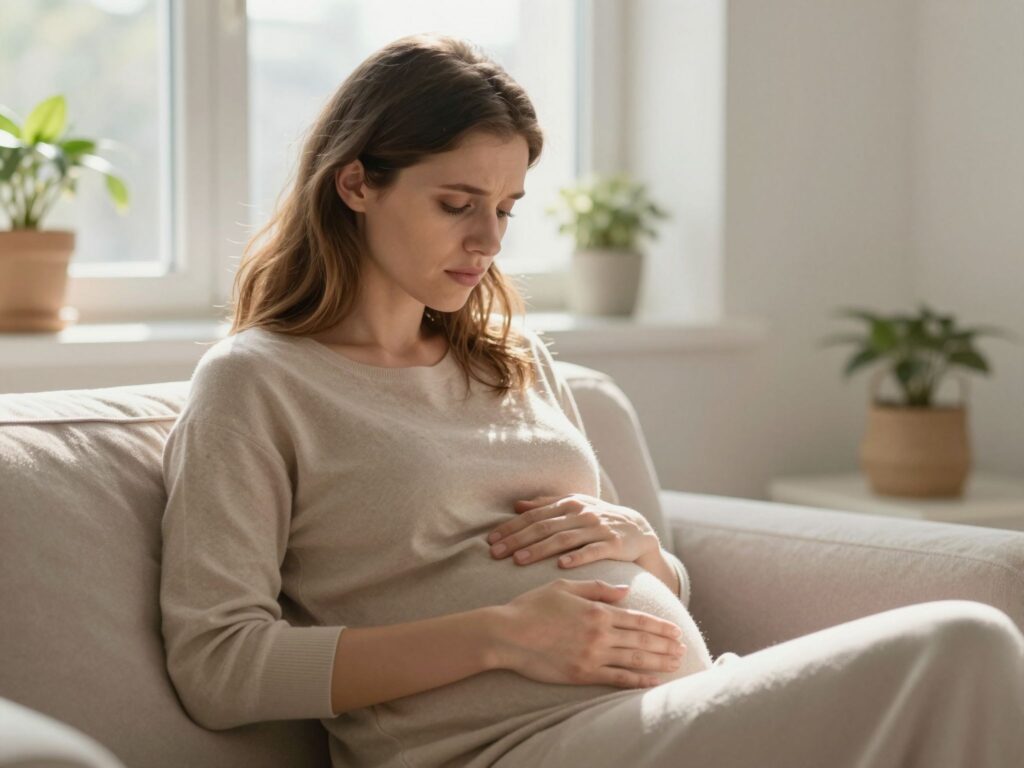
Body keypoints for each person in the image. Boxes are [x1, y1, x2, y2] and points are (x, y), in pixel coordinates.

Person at [159, 33, 1024, 768]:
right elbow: (219, 666)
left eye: (505, 208)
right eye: (456, 204)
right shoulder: (258, 383)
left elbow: (643, 589)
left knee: (965, 662)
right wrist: (500, 635)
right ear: (356, 185)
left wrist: (649, 555)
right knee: (964, 643)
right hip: (509, 746)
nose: (489, 242)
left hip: (671, 708)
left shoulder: (511, 361)